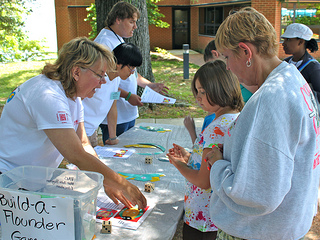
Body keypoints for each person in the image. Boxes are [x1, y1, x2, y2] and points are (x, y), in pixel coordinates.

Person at [205, 7, 320, 240]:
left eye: (227, 57)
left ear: (246, 52)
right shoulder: (291, 78)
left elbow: (257, 194)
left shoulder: (271, 98)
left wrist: (217, 163)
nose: (226, 67)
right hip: (284, 225)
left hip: (258, 231)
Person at [0, 37, 147, 210]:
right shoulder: (48, 95)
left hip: (30, 180)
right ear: (76, 72)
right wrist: (123, 184)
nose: (103, 82)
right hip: (9, 180)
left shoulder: (74, 97)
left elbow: (84, 143)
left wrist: (106, 182)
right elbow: (76, 154)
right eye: (100, 75)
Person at [167, 60, 244, 240]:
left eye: (203, 91)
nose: (198, 98)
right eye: (197, 92)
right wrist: (189, 157)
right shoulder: (235, 119)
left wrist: (178, 165)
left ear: (220, 88)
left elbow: (204, 181)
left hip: (202, 216)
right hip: (218, 214)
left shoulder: (215, 128)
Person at [94, 1, 169, 143]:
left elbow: (131, 72)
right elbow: (105, 83)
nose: (135, 26)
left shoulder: (118, 38)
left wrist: (149, 85)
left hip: (126, 112)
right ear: (118, 19)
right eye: (131, 22)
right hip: (115, 118)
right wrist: (128, 95)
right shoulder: (104, 43)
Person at [82, 42, 142, 146]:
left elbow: (112, 107)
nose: (132, 72)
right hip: (81, 129)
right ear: (118, 64)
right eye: (131, 67)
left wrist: (113, 137)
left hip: (91, 130)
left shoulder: (116, 79)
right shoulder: (97, 78)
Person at [281, 23, 320, 100]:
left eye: (288, 39)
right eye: (284, 39)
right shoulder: (285, 63)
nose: (283, 43)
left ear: (301, 42)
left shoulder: (313, 68)